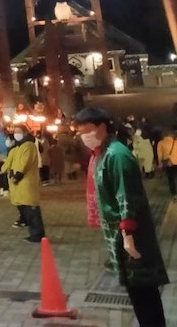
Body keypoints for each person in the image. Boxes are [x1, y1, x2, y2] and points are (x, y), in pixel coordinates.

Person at [75, 107, 168, 326]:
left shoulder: (117, 155)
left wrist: (128, 236)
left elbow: (127, 197)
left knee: (144, 291)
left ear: (101, 127)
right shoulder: (102, 153)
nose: (82, 136)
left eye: (85, 130)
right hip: (120, 237)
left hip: (132, 238)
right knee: (137, 292)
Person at [5, 125, 45, 243]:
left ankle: (37, 234)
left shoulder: (29, 145)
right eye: (15, 132)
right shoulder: (19, 146)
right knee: (26, 208)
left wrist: (18, 175)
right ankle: (33, 232)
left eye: (19, 132)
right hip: (20, 182)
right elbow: (15, 161)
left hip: (26, 181)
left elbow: (25, 162)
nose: (16, 134)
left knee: (32, 208)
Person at [156, 127, 177, 199]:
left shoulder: (161, 143)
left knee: (171, 179)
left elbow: (160, 155)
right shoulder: (176, 142)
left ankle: (174, 193)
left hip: (169, 163)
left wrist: (160, 164)